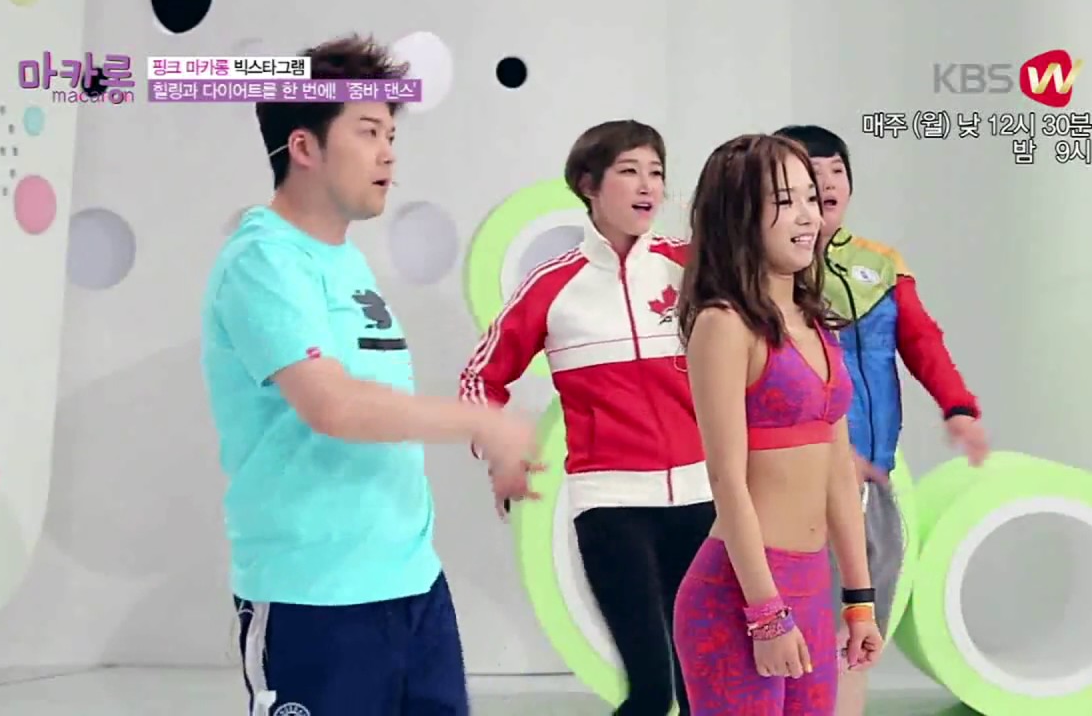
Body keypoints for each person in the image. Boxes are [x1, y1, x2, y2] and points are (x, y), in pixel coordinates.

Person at [200, 35, 538, 716]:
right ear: (304, 146)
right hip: (314, 600)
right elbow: (333, 406)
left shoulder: (347, 264)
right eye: (367, 131)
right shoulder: (262, 261)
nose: (388, 153)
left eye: (390, 134)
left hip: (413, 587)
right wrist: (482, 420)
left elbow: (376, 411)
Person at [458, 120, 714, 715]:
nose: (647, 186)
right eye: (629, 171)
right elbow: (479, 379)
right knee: (650, 691)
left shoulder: (691, 268)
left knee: (703, 687)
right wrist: (500, 453)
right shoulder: (552, 286)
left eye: (656, 173)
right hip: (612, 507)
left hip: (705, 499)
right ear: (588, 185)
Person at [774, 124, 989, 715]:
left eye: (836, 171)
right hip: (798, 484)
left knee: (862, 627)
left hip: (873, 478)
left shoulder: (880, 264)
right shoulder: (765, 275)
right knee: (802, 630)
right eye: (810, 174)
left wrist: (959, 408)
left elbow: (922, 341)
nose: (826, 184)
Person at [670, 134, 884, 715]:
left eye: (811, 198)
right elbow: (726, 479)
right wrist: (765, 614)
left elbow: (838, 473)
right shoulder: (724, 324)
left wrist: (859, 599)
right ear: (738, 216)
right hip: (738, 594)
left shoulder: (816, 324)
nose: (809, 216)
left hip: (812, 588)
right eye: (786, 202)